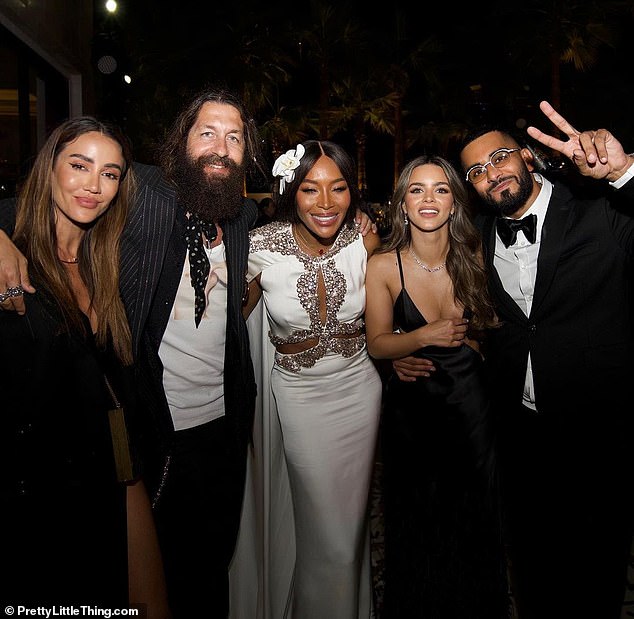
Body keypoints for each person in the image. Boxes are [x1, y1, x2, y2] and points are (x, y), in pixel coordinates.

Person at [0, 88, 375, 618]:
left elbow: (299, 244)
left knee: (211, 567)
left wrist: (360, 225)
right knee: (151, 575)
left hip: (225, 428)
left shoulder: (245, 219)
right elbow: (60, 194)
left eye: (234, 137)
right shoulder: (146, 192)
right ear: (182, 142)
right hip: (152, 429)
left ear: (248, 154)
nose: (221, 148)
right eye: (207, 133)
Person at [394, 101, 634, 619]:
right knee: (532, 571)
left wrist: (624, 173)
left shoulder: (600, 209)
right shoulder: (477, 238)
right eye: (476, 171)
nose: (490, 173)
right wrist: (400, 350)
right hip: (519, 435)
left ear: (527, 156)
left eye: (500, 157)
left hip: (597, 433)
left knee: (597, 574)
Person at [0, 117, 169, 615]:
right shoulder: (14, 258)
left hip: (110, 462)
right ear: (49, 166)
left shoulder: (107, 257)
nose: (94, 185)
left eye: (111, 173)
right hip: (36, 488)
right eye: (79, 165)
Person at [237, 140, 383, 619]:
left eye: (338, 188)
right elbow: (227, 319)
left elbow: (388, 313)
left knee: (349, 529)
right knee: (324, 531)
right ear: (290, 192)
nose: (326, 203)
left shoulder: (365, 240)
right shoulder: (259, 247)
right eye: (310, 189)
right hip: (298, 401)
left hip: (360, 394)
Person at [364, 155, 509, 618]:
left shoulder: (477, 255)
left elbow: (500, 322)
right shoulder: (384, 265)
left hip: (473, 410)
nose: (429, 199)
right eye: (417, 189)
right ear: (402, 204)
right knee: (416, 519)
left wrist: (479, 341)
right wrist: (423, 337)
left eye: (441, 189)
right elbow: (377, 343)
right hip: (414, 416)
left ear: (454, 204)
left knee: (475, 517)